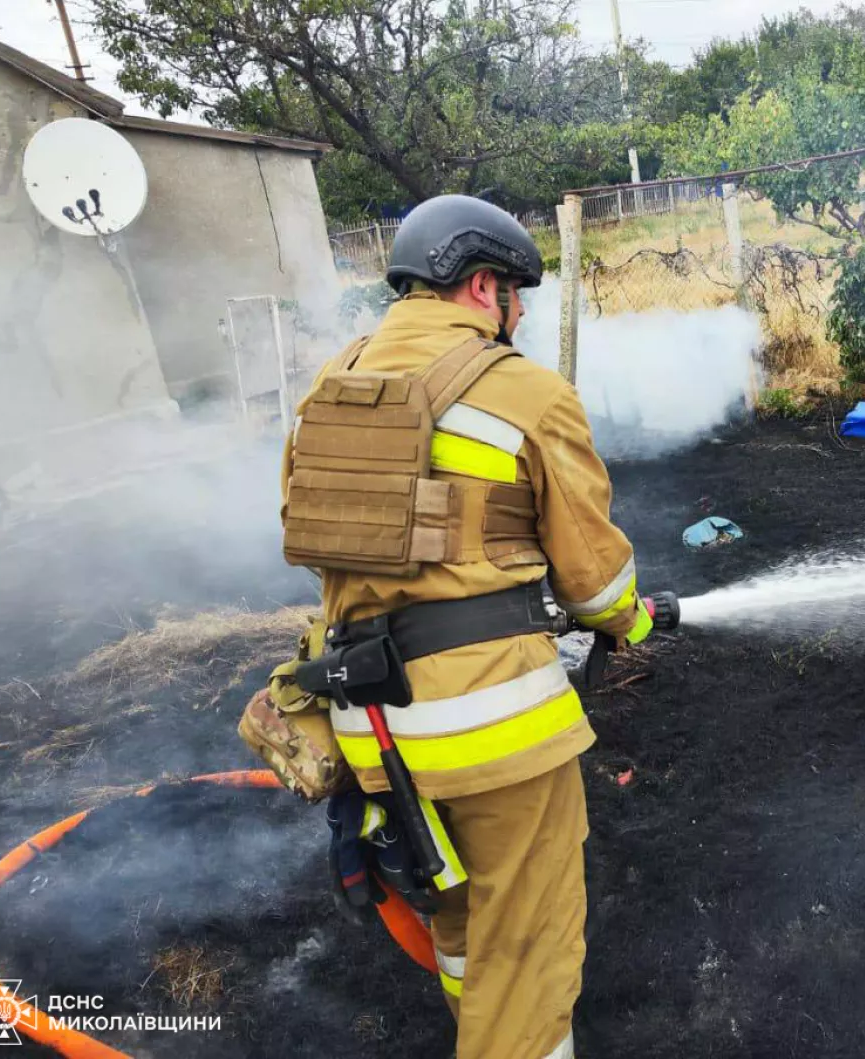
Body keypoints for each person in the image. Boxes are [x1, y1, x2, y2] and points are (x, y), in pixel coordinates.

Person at [279, 195, 652, 1059]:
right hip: (493, 733)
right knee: (528, 946)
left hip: (372, 727)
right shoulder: (524, 389)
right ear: (483, 285)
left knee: (456, 905)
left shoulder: (329, 388)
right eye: (516, 295)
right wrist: (628, 618)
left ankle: (471, 1019)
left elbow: (310, 537)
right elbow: (596, 581)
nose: (518, 314)